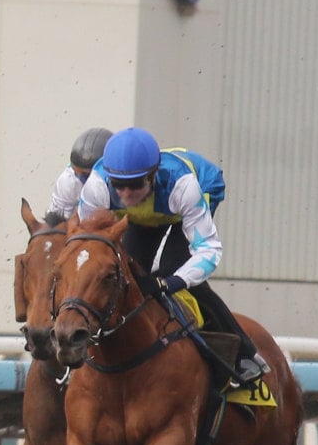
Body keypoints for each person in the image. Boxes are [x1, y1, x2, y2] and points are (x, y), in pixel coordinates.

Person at [78, 126, 268, 383]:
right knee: (130, 275)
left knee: (173, 270)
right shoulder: (96, 187)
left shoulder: (182, 185)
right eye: (118, 185)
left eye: (134, 185)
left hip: (197, 193)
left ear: (153, 175)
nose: (126, 194)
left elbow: (208, 249)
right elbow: (89, 250)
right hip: (145, 215)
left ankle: (245, 355)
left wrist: (173, 282)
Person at [46, 127, 112, 222]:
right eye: (77, 173)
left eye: (86, 175)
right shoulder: (68, 181)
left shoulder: (122, 186)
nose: (81, 178)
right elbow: (57, 225)